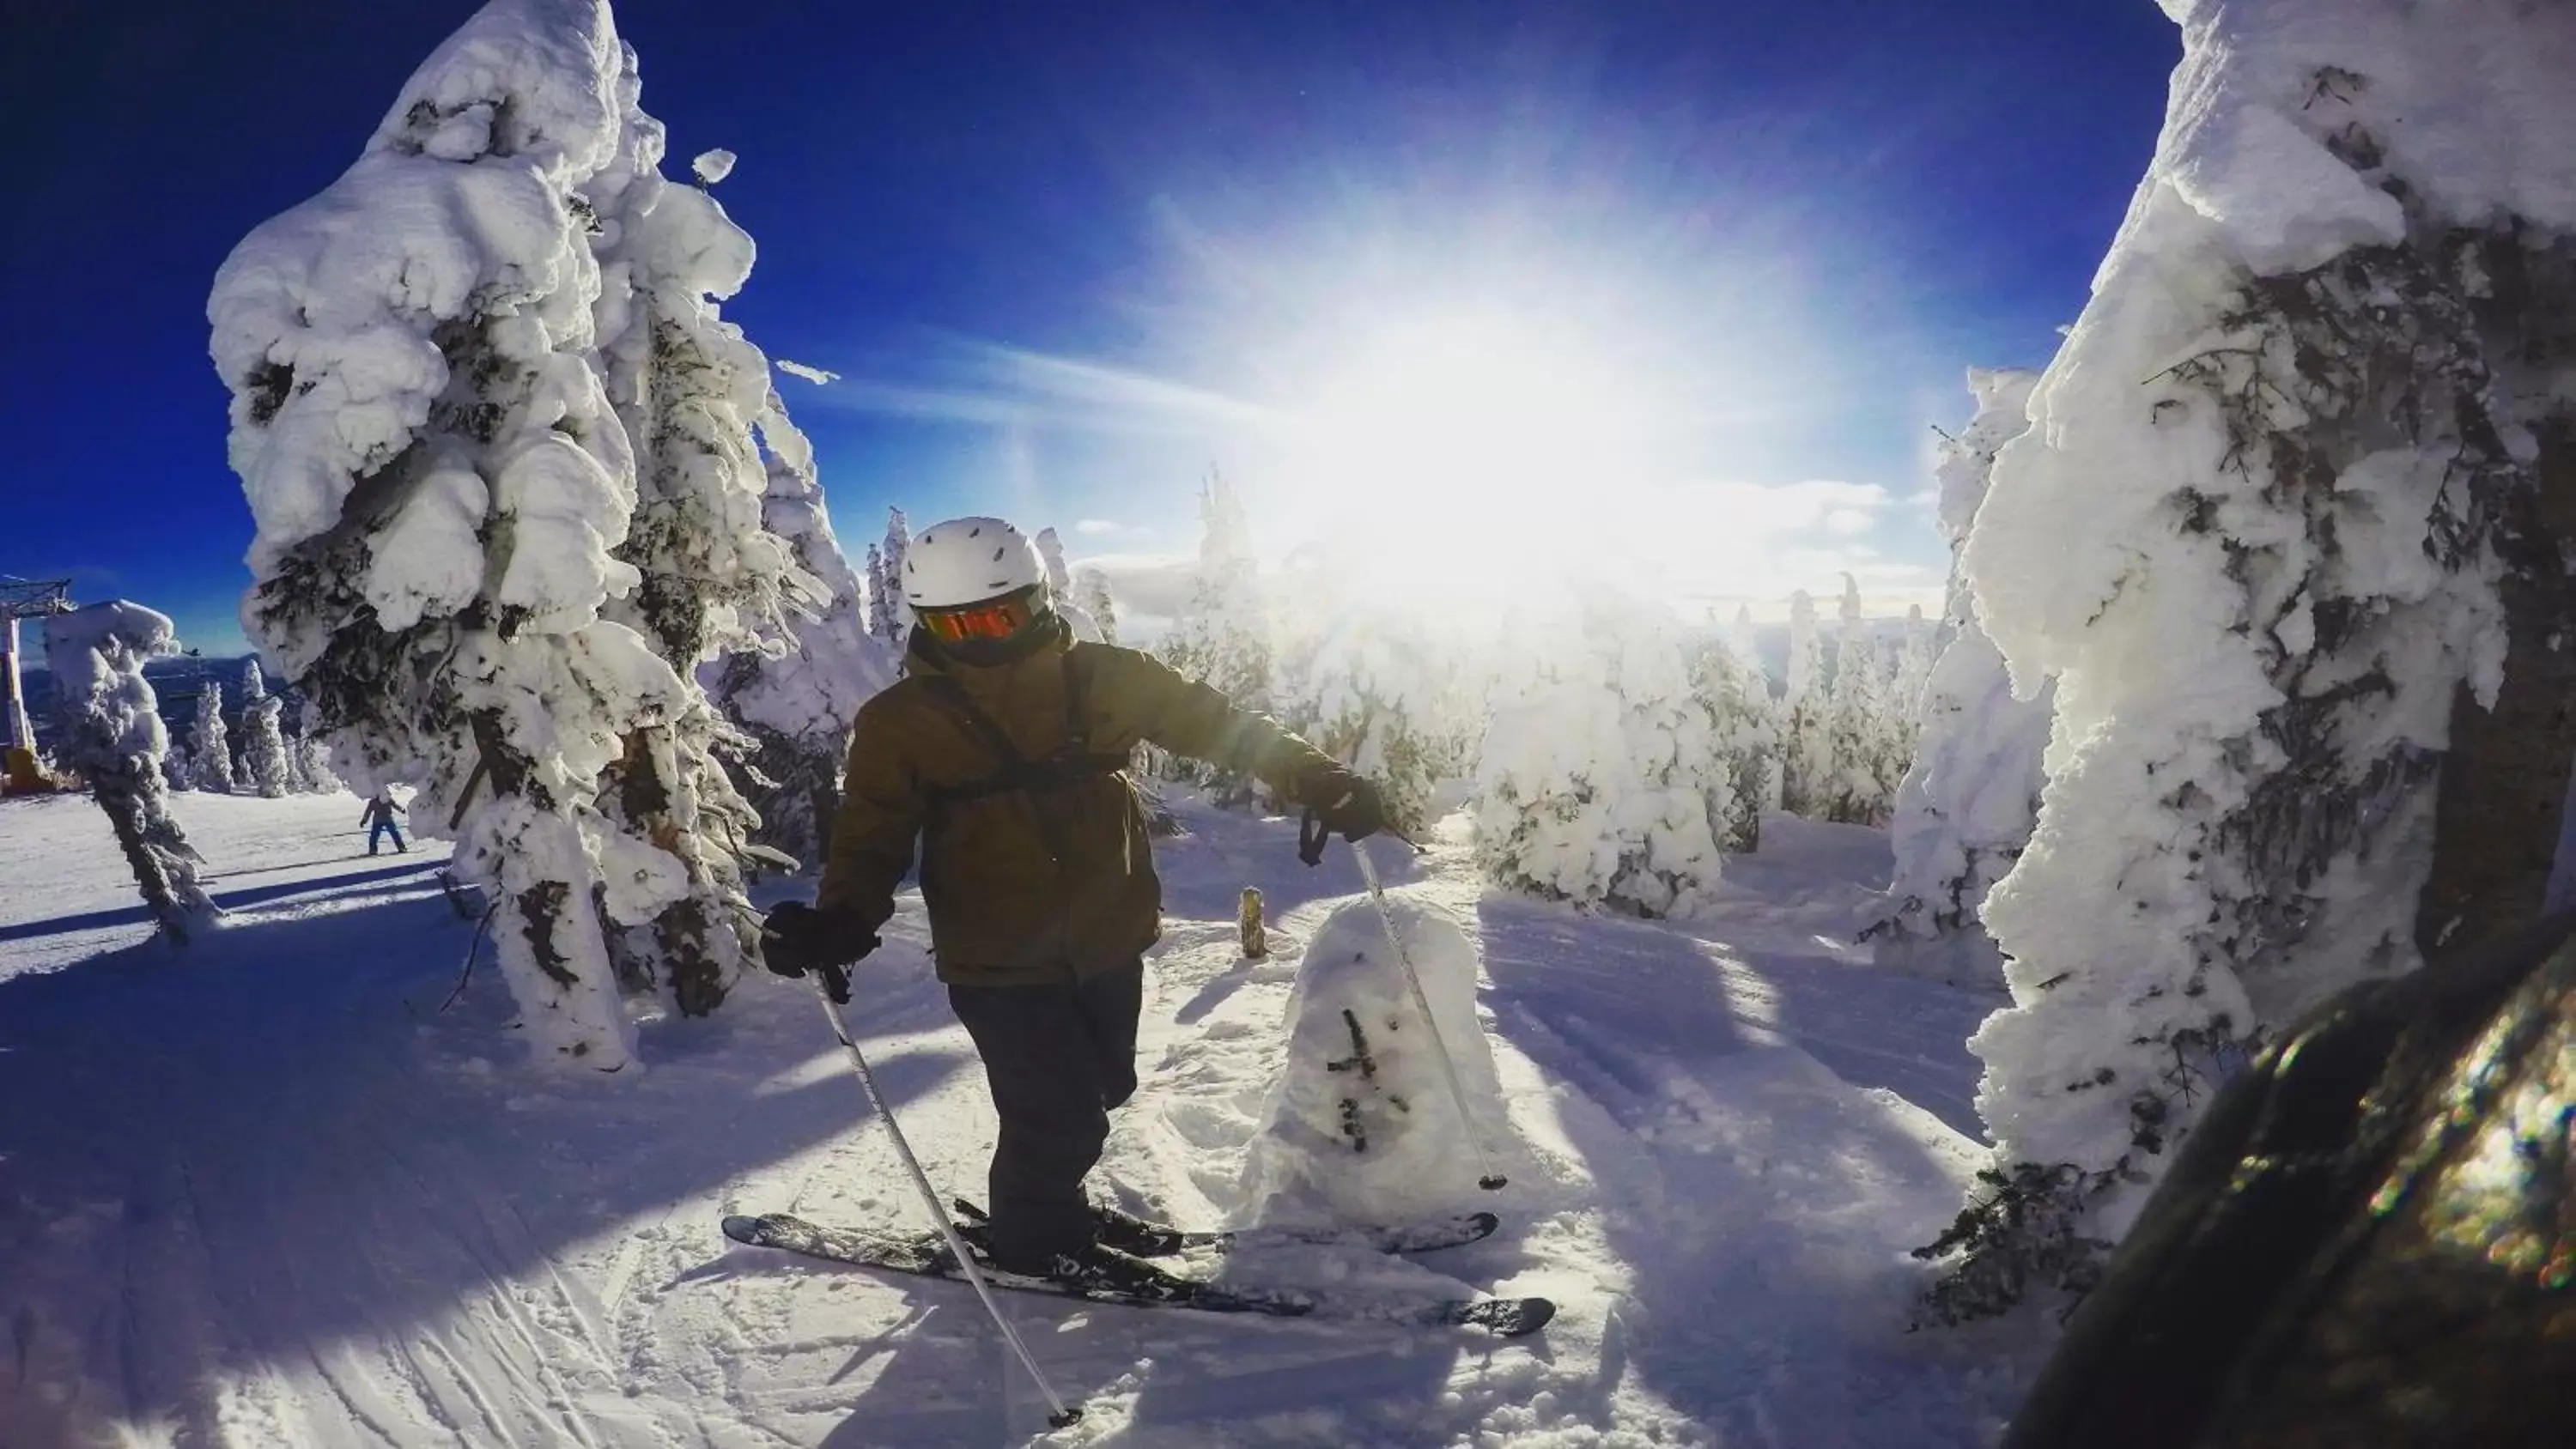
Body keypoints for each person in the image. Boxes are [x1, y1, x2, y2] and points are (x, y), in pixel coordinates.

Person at [761, 516, 1385, 1290]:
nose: (981, 639)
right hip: (997, 955)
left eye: (997, 617)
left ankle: (1057, 1204)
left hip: (1107, 932)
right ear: (926, 624)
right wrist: (839, 922)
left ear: (1036, 600)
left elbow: (1219, 725)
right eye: (955, 625)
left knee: (1099, 1088)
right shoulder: (901, 722)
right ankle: (1035, 1237)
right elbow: (871, 835)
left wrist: (1315, 776)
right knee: (1051, 1113)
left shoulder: (1103, 677)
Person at [361, 791, 407, 855]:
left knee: (394, 833)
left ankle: (401, 847)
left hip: (386, 819)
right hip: (380, 820)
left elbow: (395, 805)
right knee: (375, 835)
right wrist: (364, 820)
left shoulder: (386, 799)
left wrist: (401, 809)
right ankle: (373, 850)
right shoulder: (374, 801)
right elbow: (368, 811)